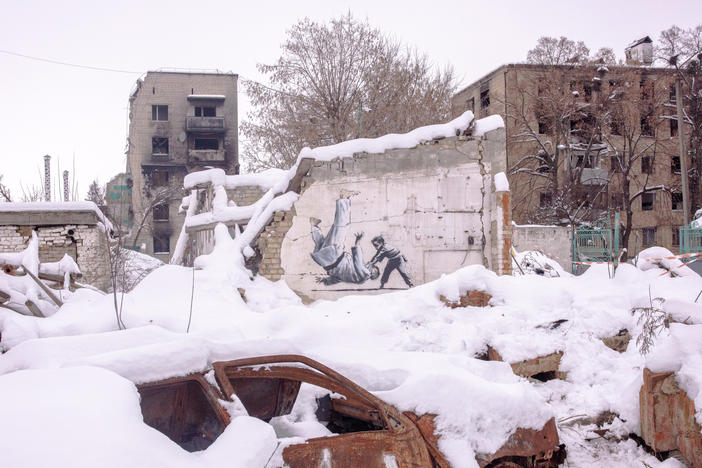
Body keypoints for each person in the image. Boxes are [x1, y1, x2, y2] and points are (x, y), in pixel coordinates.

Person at [310, 193, 379, 286]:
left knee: (342, 226)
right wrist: (325, 281)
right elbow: (338, 279)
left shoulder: (366, 274)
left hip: (334, 256)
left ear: (373, 273)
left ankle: (344, 198)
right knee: (321, 244)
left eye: (373, 268)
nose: (371, 264)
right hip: (323, 262)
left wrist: (357, 242)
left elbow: (358, 262)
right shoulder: (356, 279)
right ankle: (314, 226)